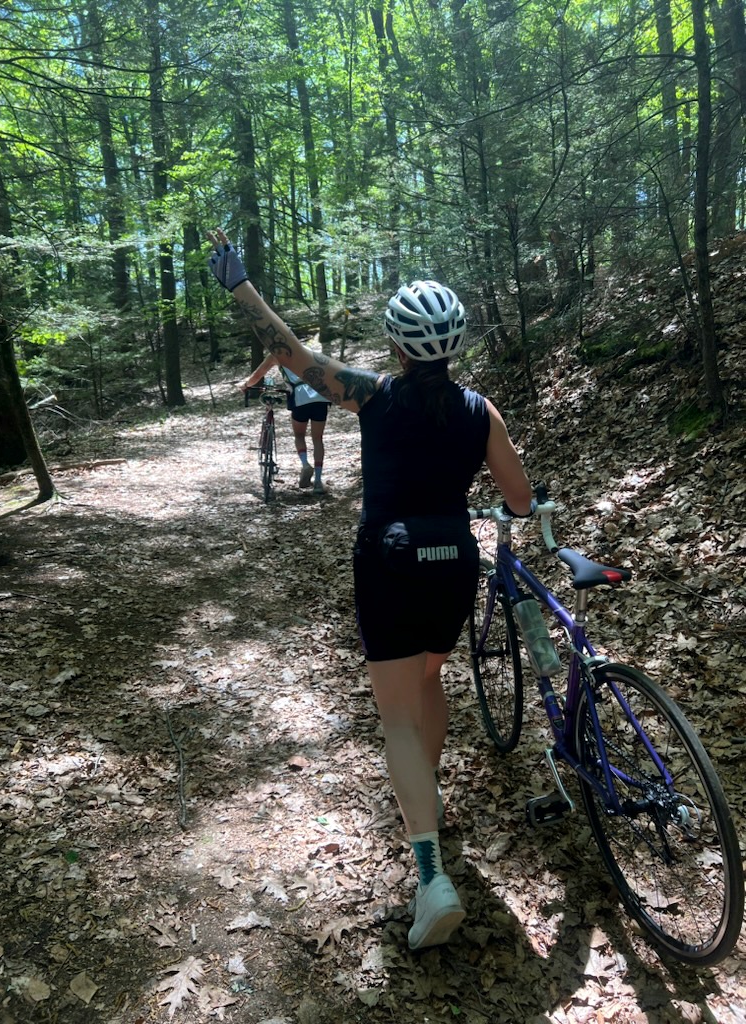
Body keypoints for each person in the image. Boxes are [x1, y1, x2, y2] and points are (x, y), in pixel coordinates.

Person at [208, 228, 532, 951]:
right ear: (453, 345)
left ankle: (429, 874)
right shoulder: (482, 413)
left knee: (395, 718)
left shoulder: (374, 397)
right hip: (453, 563)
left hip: (386, 565)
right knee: (430, 681)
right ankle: (431, 794)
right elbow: (518, 501)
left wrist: (241, 286)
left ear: (396, 345)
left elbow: (292, 354)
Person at [241, 351, 330, 494]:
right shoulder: (304, 349)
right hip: (320, 395)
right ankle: (318, 482)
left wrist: (245, 385)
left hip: (300, 396)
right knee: (318, 439)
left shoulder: (275, 355)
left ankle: (305, 464)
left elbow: (257, 375)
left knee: (299, 435)